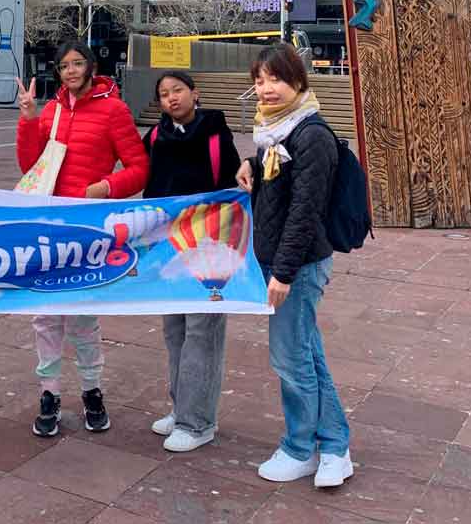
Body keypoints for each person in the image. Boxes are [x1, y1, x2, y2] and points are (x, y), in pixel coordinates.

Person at [15, 40, 149, 438]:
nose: (70, 71)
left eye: (77, 63)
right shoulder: (53, 110)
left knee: (84, 317)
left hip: (89, 228)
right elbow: (31, 166)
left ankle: (92, 391)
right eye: (63, 66)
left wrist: (106, 188)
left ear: (92, 66)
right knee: (45, 316)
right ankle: (49, 395)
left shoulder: (114, 109)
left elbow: (140, 168)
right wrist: (27, 118)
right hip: (49, 225)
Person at [236, 43, 352, 488]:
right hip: (284, 261)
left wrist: (282, 274)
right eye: (260, 80)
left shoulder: (311, 135)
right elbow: (281, 188)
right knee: (306, 353)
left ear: (299, 82)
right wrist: (250, 163)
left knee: (290, 359)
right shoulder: (276, 132)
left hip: (298, 266)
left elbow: (305, 211)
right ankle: (335, 446)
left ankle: (301, 447)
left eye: (275, 79)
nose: (265, 89)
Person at [143, 71, 240, 452]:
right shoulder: (154, 137)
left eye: (178, 90)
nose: (171, 98)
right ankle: (181, 406)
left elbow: (235, 180)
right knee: (175, 332)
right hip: (170, 249)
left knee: (203, 332)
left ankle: (198, 422)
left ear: (194, 93)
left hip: (210, 249)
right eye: (164, 94)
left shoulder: (216, 133)